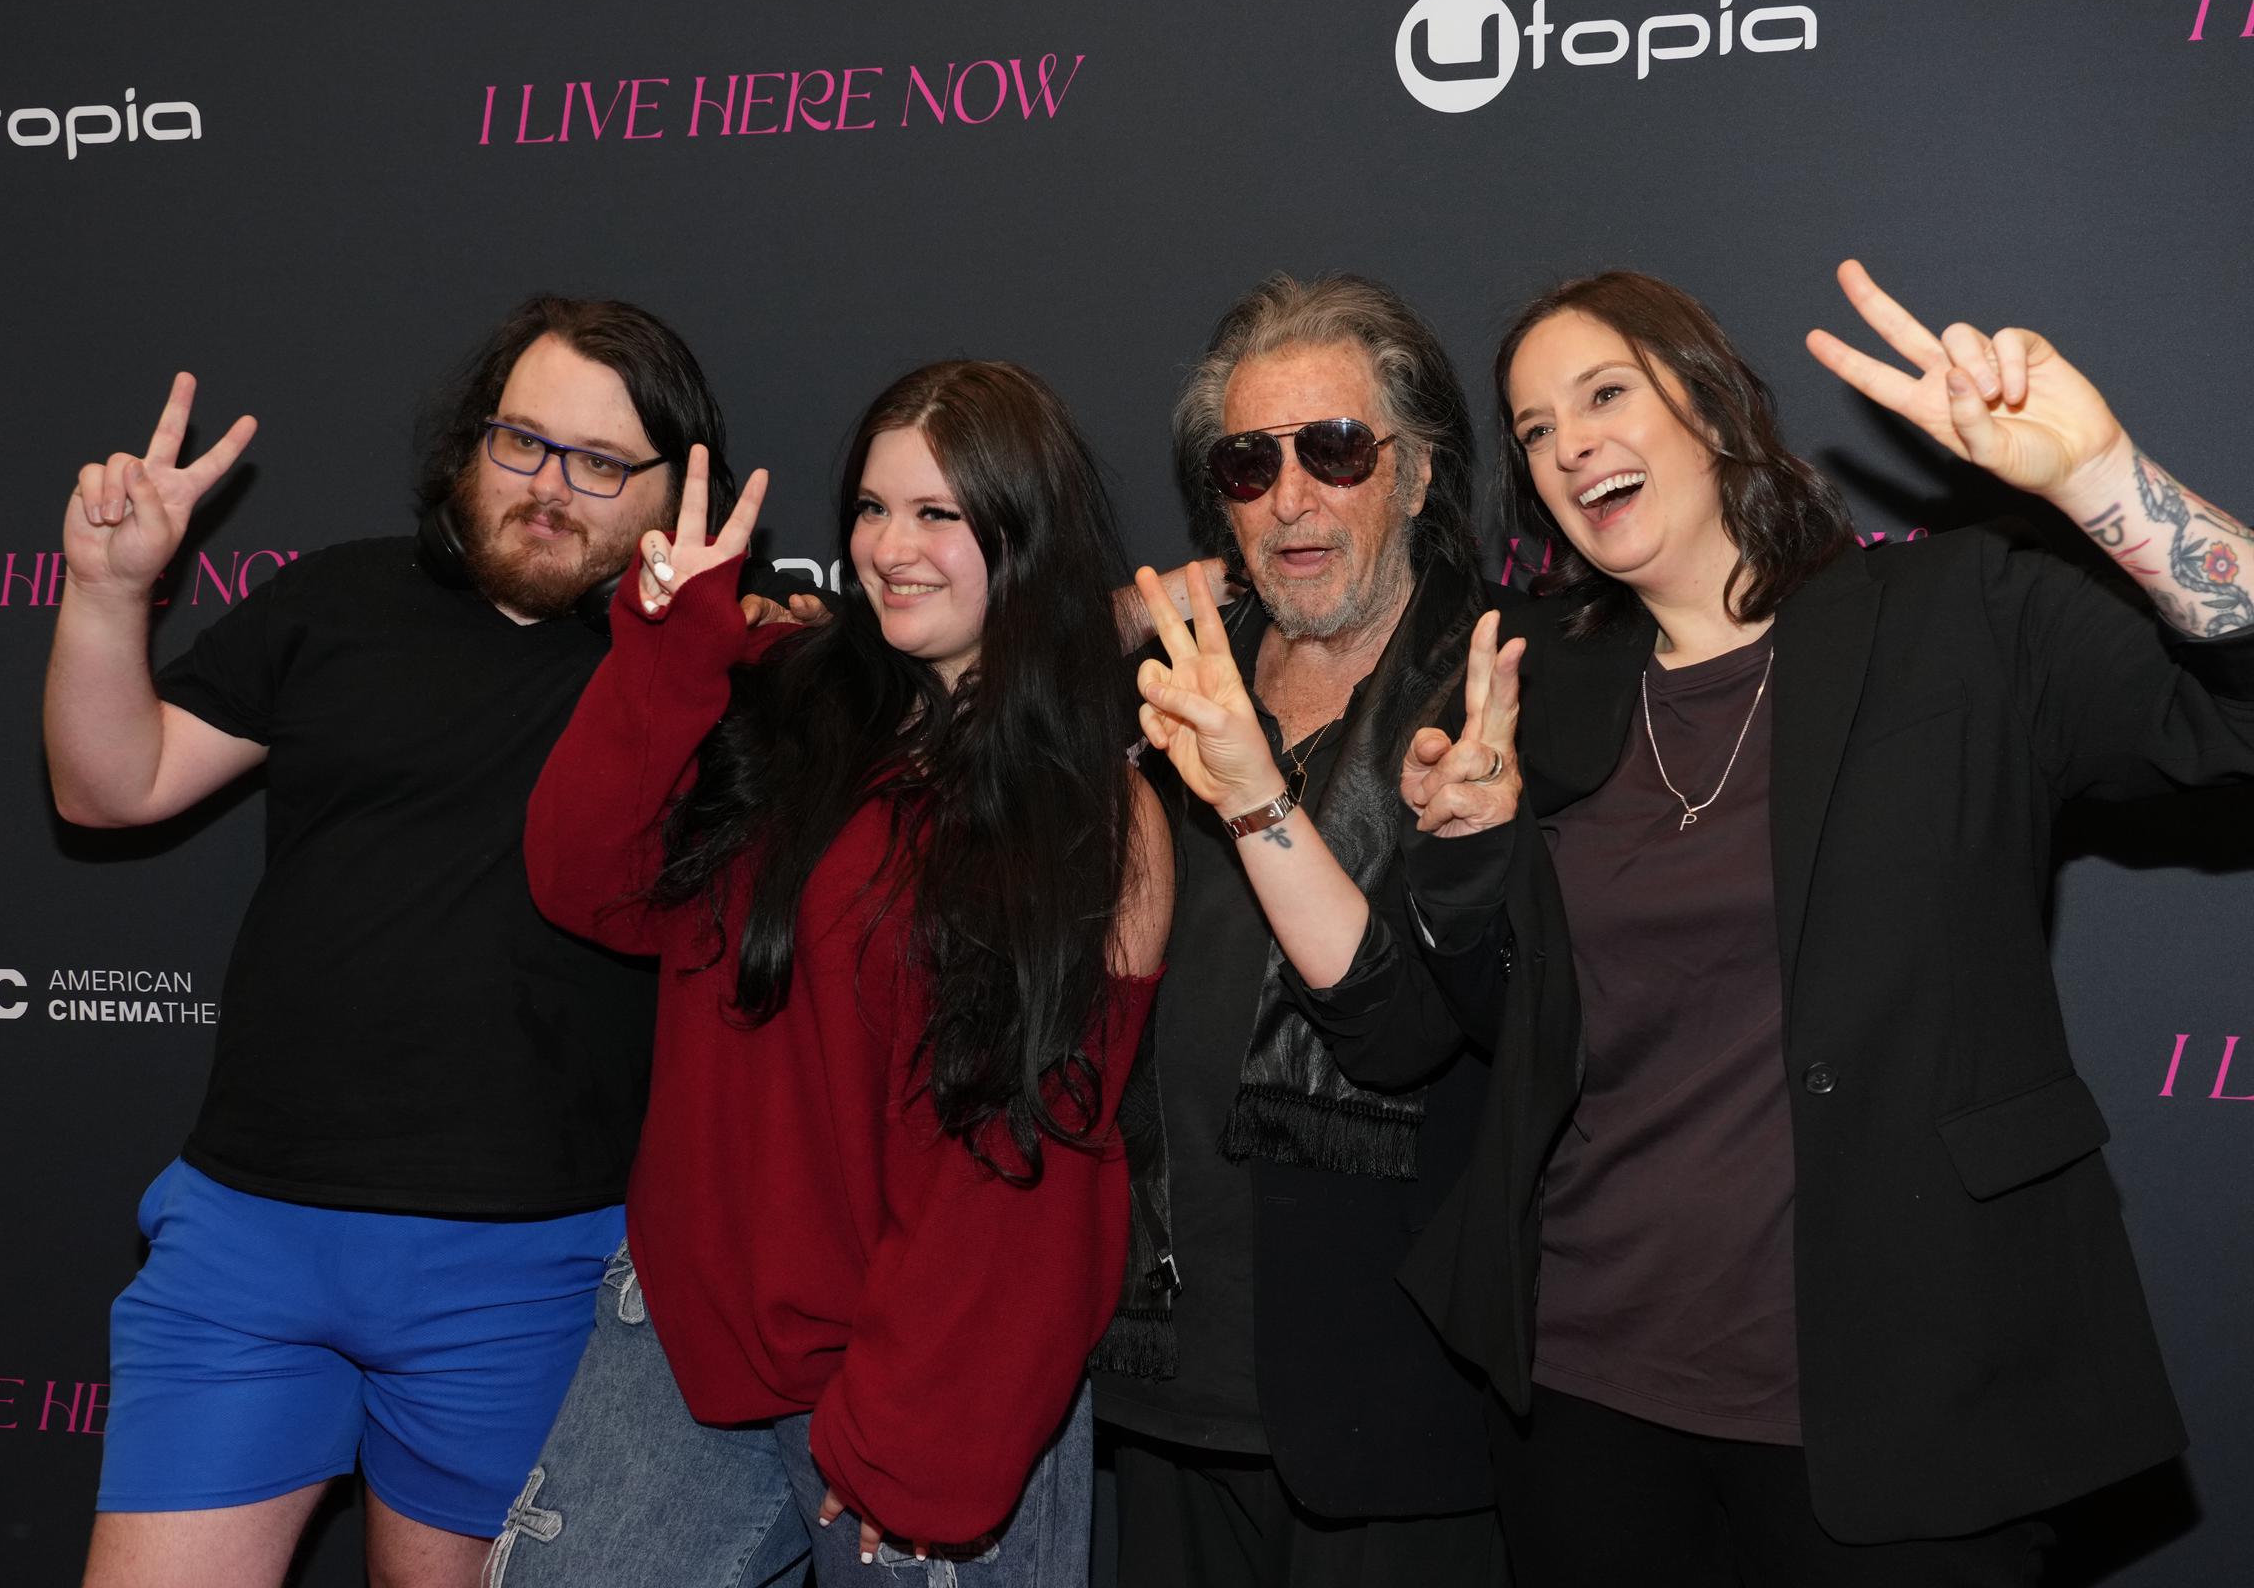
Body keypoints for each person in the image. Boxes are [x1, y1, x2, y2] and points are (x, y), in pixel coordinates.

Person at [1380, 261, 2254, 1584]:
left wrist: (2100, 478)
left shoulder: (1954, 617)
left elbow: (2234, 718)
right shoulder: (1536, 683)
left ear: (1709, 401)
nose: (1570, 447)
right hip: (1584, 1391)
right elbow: (1509, 1027)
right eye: (1537, 430)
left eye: (1606, 393)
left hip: (1905, 1391)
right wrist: (1463, 858)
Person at [46, 296, 783, 1588]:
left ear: (678, 492)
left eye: (600, 463)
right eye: (522, 442)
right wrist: (106, 595)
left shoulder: (715, 677)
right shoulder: (337, 598)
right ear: (470, 441)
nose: (549, 487)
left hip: (526, 1265)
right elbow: (113, 785)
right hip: (248, 1236)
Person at [493, 360, 1173, 1586]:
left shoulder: (1094, 817)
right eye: (870, 507)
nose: (889, 548)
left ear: (1023, 536)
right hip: (690, 1324)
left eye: (937, 513)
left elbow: (1027, 1159)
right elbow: (586, 879)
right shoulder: (785, 695)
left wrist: (918, 1440)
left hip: (932, 1371)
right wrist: (668, 650)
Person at [1092, 272, 1516, 1587]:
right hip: (1165, 1372)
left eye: (1334, 451)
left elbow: (1406, 1031)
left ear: (1418, 474)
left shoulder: (1494, 696)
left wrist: (1253, 793)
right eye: (1248, 462)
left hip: (1392, 1399)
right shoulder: (1163, 679)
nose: (1289, 498)